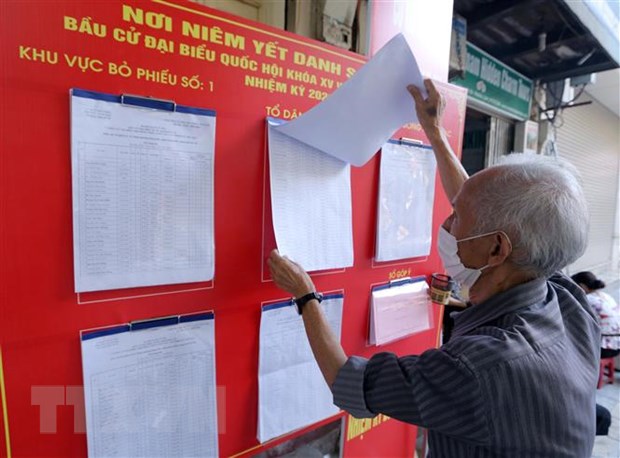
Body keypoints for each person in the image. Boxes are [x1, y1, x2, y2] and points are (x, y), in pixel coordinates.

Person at [268, 79, 600, 457]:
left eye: (457, 217)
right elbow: (481, 206)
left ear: (496, 249)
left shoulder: (480, 368)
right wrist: (435, 132)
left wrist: (306, 296)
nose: (448, 224)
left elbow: (350, 383)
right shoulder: (563, 295)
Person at [571, 271, 620, 359]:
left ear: (582, 286)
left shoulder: (588, 300)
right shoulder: (606, 296)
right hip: (616, 344)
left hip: (605, 348)